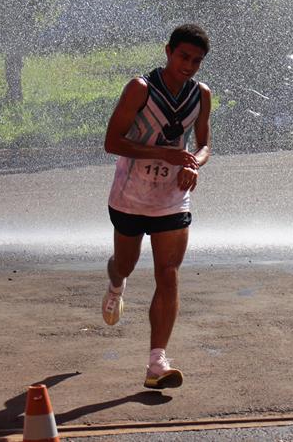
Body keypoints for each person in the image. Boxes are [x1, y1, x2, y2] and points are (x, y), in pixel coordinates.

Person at [102, 23, 212, 389]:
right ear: (168, 51)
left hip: (171, 198)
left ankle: (157, 363)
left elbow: (204, 145)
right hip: (130, 195)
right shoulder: (140, 89)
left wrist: (193, 163)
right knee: (126, 263)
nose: (189, 65)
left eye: (196, 61)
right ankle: (116, 282)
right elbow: (112, 142)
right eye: (183, 56)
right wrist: (163, 153)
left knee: (168, 272)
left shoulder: (202, 95)